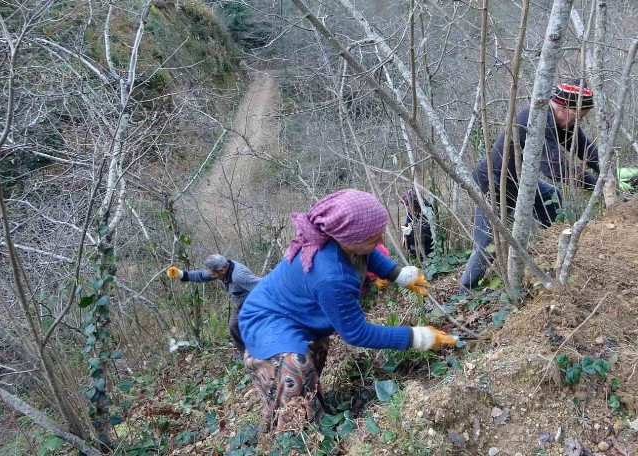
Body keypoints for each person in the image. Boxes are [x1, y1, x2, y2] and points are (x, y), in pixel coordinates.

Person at [237, 189, 457, 433]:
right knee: (295, 367)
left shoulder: (343, 240)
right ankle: (296, 434)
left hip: (294, 313)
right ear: (349, 238)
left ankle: (312, 408)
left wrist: (398, 275)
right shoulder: (332, 275)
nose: (381, 240)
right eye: (373, 238)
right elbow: (356, 333)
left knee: (315, 352)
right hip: (265, 321)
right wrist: (415, 337)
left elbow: (370, 253)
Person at [459, 79, 600, 291]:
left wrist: (609, 174)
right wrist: (596, 185)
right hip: (492, 182)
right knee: (487, 244)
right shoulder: (537, 119)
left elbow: (586, 149)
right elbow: (555, 167)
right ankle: (465, 290)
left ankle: (553, 249)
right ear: (564, 107)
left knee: (551, 196)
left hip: (520, 182)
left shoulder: (563, 122)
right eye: (579, 115)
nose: (578, 121)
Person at [166, 254, 261, 355]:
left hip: (253, 305)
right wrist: (179, 274)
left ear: (221, 270)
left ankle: (260, 351)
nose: (211, 276)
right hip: (240, 305)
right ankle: (245, 353)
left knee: (253, 327)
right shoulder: (223, 269)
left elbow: (263, 286)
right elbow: (202, 275)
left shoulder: (239, 276)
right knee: (233, 326)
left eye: (213, 274)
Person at [400, 189, 434, 261]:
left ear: (415, 203)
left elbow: (427, 232)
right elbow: (408, 224)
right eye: (406, 205)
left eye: (408, 205)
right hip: (415, 244)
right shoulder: (411, 212)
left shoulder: (426, 210)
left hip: (427, 245)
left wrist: (411, 232)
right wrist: (406, 231)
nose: (407, 207)